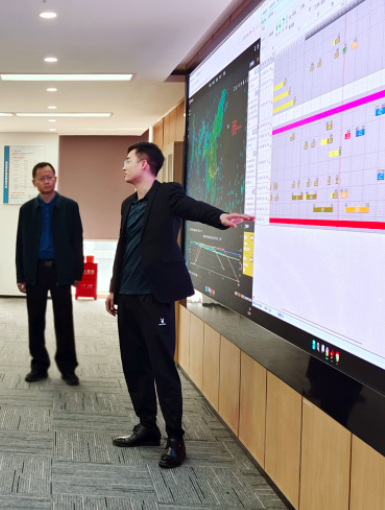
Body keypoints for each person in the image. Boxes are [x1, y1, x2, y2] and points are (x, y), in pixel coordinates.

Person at [106, 141, 252, 469]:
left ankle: (175, 437)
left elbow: (193, 208)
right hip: (127, 296)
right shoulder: (128, 204)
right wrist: (114, 287)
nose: (123, 166)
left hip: (155, 297)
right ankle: (147, 426)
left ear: (144, 164)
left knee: (162, 367)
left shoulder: (167, 194)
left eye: (127, 160)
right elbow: (123, 247)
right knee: (134, 364)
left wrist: (220, 217)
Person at [16, 162, 84, 385]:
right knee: (35, 320)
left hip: (61, 269)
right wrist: (20, 275)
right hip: (35, 270)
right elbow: (20, 244)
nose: (47, 181)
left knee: (64, 321)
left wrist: (78, 271)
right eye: (42, 178)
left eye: (50, 176)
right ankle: (39, 366)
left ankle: (68, 368)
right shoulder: (26, 209)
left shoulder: (70, 206)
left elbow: (77, 240)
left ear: (55, 178)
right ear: (34, 182)